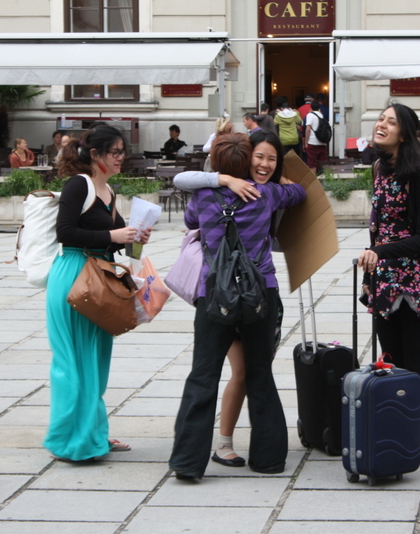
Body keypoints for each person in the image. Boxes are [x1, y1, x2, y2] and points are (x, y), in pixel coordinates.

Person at [169, 131, 306, 481]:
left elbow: (191, 222)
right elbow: (299, 193)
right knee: (260, 374)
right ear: (247, 161)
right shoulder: (267, 194)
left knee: (203, 375)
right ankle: (269, 459)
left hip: (215, 294)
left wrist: (218, 184)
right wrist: (280, 179)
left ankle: (187, 462)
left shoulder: (202, 195)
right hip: (261, 293)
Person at [44, 123, 152, 462]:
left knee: (94, 361)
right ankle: (69, 441)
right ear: (95, 154)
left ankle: (92, 434)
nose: (121, 158)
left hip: (98, 278)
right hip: (75, 276)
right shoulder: (79, 184)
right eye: (114, 152)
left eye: (123, 152)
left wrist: (134, 238)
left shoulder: (108, 191)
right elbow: (65, 232)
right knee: (73, 362)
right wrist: (112, 237)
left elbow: (115, 241)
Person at [357, 103, 420, 415]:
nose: (381, 125)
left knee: (414, 359)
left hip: (412, 280)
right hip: (383, 278)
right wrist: (368, 277)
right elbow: (378, 230)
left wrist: (381, 253)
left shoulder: (416, 174)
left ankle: (412, 427)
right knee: (390, 358)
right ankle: (394, 423)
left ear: (405, 135)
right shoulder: (378, 169)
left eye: (391, 122)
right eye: (380, 119)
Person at [304, 101, 328, 172]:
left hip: (312, 142)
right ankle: (325, 177)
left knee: (312, 163)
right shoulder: (321, 115)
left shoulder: (310, 115)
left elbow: (308, 129)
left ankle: (314, 178)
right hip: (322, 142)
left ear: (311, 107)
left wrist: (306, 142)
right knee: (323, 162)